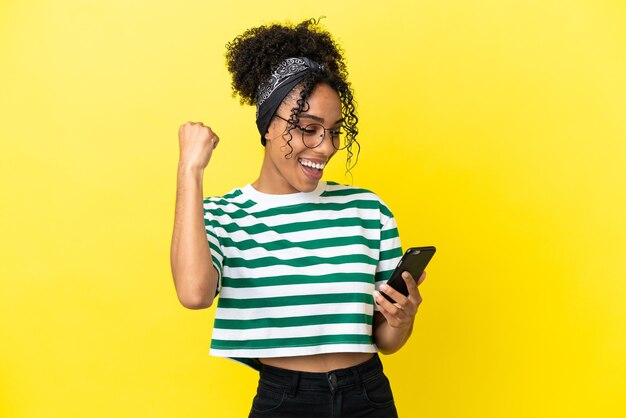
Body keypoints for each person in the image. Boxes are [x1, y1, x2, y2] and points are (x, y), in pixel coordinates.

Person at [170, 18, 427, 418]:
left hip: (369, 394)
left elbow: (386, 340)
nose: (325, 147)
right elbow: (194, 294)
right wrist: (190, 169)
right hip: (285, 401)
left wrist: (403, 318)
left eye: (334, 131)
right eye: (308, 128)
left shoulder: (367, 209)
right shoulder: (224, 216)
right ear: (268, 125)